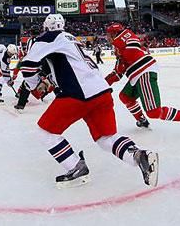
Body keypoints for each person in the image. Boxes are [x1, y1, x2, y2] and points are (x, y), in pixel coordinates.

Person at [18, 14, 159, 188]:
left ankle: (75, 166)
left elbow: (27, 66)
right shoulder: (71, 39)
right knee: (106, 138)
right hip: (101, 92)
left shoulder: (48, 37)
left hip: (77, 94)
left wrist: (34, 87)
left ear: (46, 27)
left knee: (45, 132)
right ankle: (139, 156)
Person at [104, 23, 180, 133]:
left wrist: (119, 66)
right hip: (137, 75)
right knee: (125, 96)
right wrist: (103, 83)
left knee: (154, 112)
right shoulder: (120, 45)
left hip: (144, 73)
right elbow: (118, 72)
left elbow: (130, 53)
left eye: (109, 34)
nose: (107, 37)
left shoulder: (126, 38)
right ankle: (141, 119)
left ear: (115, 34)